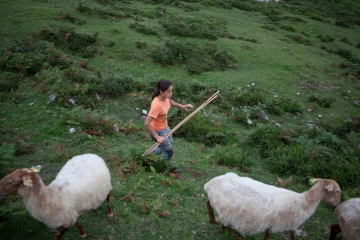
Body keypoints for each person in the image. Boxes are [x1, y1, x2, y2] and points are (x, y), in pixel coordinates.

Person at [144, 79, 193, 173]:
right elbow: (147, 123)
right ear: (161, 91)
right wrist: (157, 137)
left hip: (165, 128)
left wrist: (182, 106)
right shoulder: (156, 106)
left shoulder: (165, 98)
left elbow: (169, 102)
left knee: (164, 148)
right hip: (158, 131)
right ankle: (166, 168)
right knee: (169, 151)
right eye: (168, 92)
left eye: (171, 91)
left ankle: (149, 154)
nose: (171, 93)